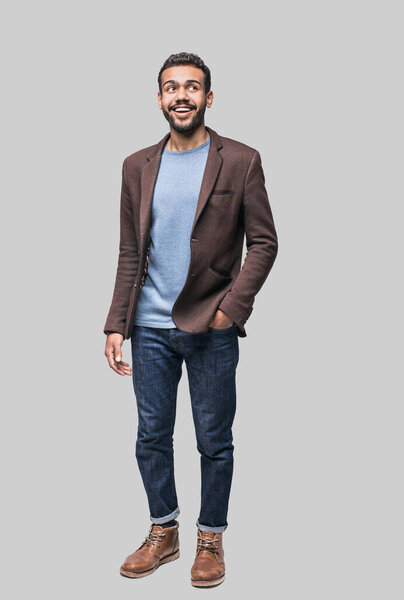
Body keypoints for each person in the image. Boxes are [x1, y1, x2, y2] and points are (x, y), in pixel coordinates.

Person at [103, 52, 278, 588]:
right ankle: (164, 531)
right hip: (150, 329)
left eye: (192, 87)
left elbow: (265, 242)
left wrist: (231, 309)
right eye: (171, 88)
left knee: (213, 439)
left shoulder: (240, 160)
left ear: (208, 97)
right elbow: (131, 250)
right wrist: (116, 323)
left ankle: (210, 537)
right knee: (150, 436)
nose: (182, 96)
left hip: (211, 326)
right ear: (159, 98)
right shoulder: (137, 165)